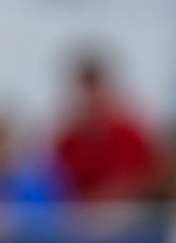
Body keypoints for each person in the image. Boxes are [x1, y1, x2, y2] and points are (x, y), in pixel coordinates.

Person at [52, 52, 164, 203]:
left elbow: (153, 179)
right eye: (86, 93)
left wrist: (118, 192)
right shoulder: (67, 143)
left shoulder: (131, 136)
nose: (91, 100)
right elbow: (59, 188)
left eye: (95, 91)